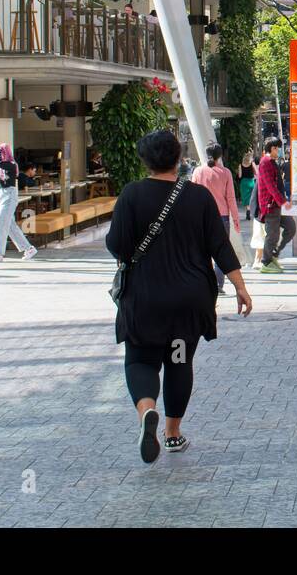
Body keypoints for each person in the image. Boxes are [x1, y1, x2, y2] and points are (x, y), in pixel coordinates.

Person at [106, 130, 252, 462]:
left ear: (145, 160)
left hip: (145, 299)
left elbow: (116, 245)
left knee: (141, 359)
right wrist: (240, 287)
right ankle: (172, 434)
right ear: (178, 158)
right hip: (189, 300)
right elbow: (219, 245)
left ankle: (147, 411)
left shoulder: (132, 195)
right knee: (177, 361)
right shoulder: (198, 197)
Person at [190, 143, 241, 292]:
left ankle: (203, 283)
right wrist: (236, 219)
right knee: (220, 251)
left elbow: (192, 195)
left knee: (202, 251)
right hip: (222, 217)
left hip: (201, 216)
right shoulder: (225, 173)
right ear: (220, 156)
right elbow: (231, 198)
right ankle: (218, 285)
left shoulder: (198, 171)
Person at [248, 138, 293, 273]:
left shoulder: (272, 162)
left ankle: (273, 255)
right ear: (271, 149)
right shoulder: (265, 163)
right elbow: (271, 187)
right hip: (270, 206)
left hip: (277, 205)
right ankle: (266, 262)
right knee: (272, 235)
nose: (278, 151)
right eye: (276, 148)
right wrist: (283, 202)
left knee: (291, 227)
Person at [0, 142, 37, 262]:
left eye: (0, 152)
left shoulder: (10, 164)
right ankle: (29, 249)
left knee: (0, 225)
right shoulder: (1, 169)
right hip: (2, 196)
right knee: (9, 226)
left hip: (9, 196)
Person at [238, 149, 257, 213]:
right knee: (251, 196)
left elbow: (240, 176)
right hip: (251, 182)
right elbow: (256, 173)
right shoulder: (252, 163)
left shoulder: (240, 165)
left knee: (245, 197)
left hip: (244, 183)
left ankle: (248, 209)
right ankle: (251, 210)